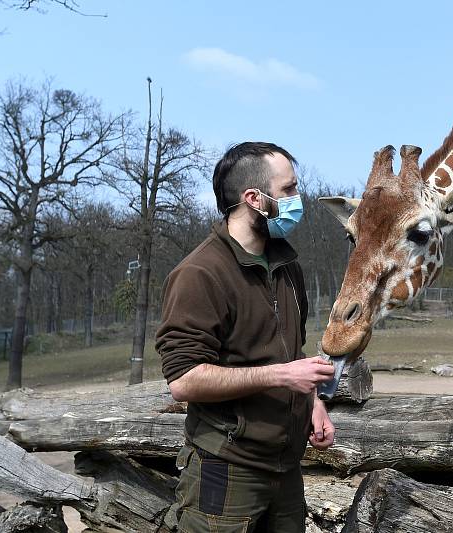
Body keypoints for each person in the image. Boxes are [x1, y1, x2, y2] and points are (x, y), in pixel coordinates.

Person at [155, 141, 336, 533]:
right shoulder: (200, 274)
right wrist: (280, 375)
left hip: (287, 470)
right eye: (287, 190)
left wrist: (313, 403)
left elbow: (293, 351)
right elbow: (184, 380)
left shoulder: (288, 266)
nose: (296, 199)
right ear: (254, 198)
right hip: (226, 471)